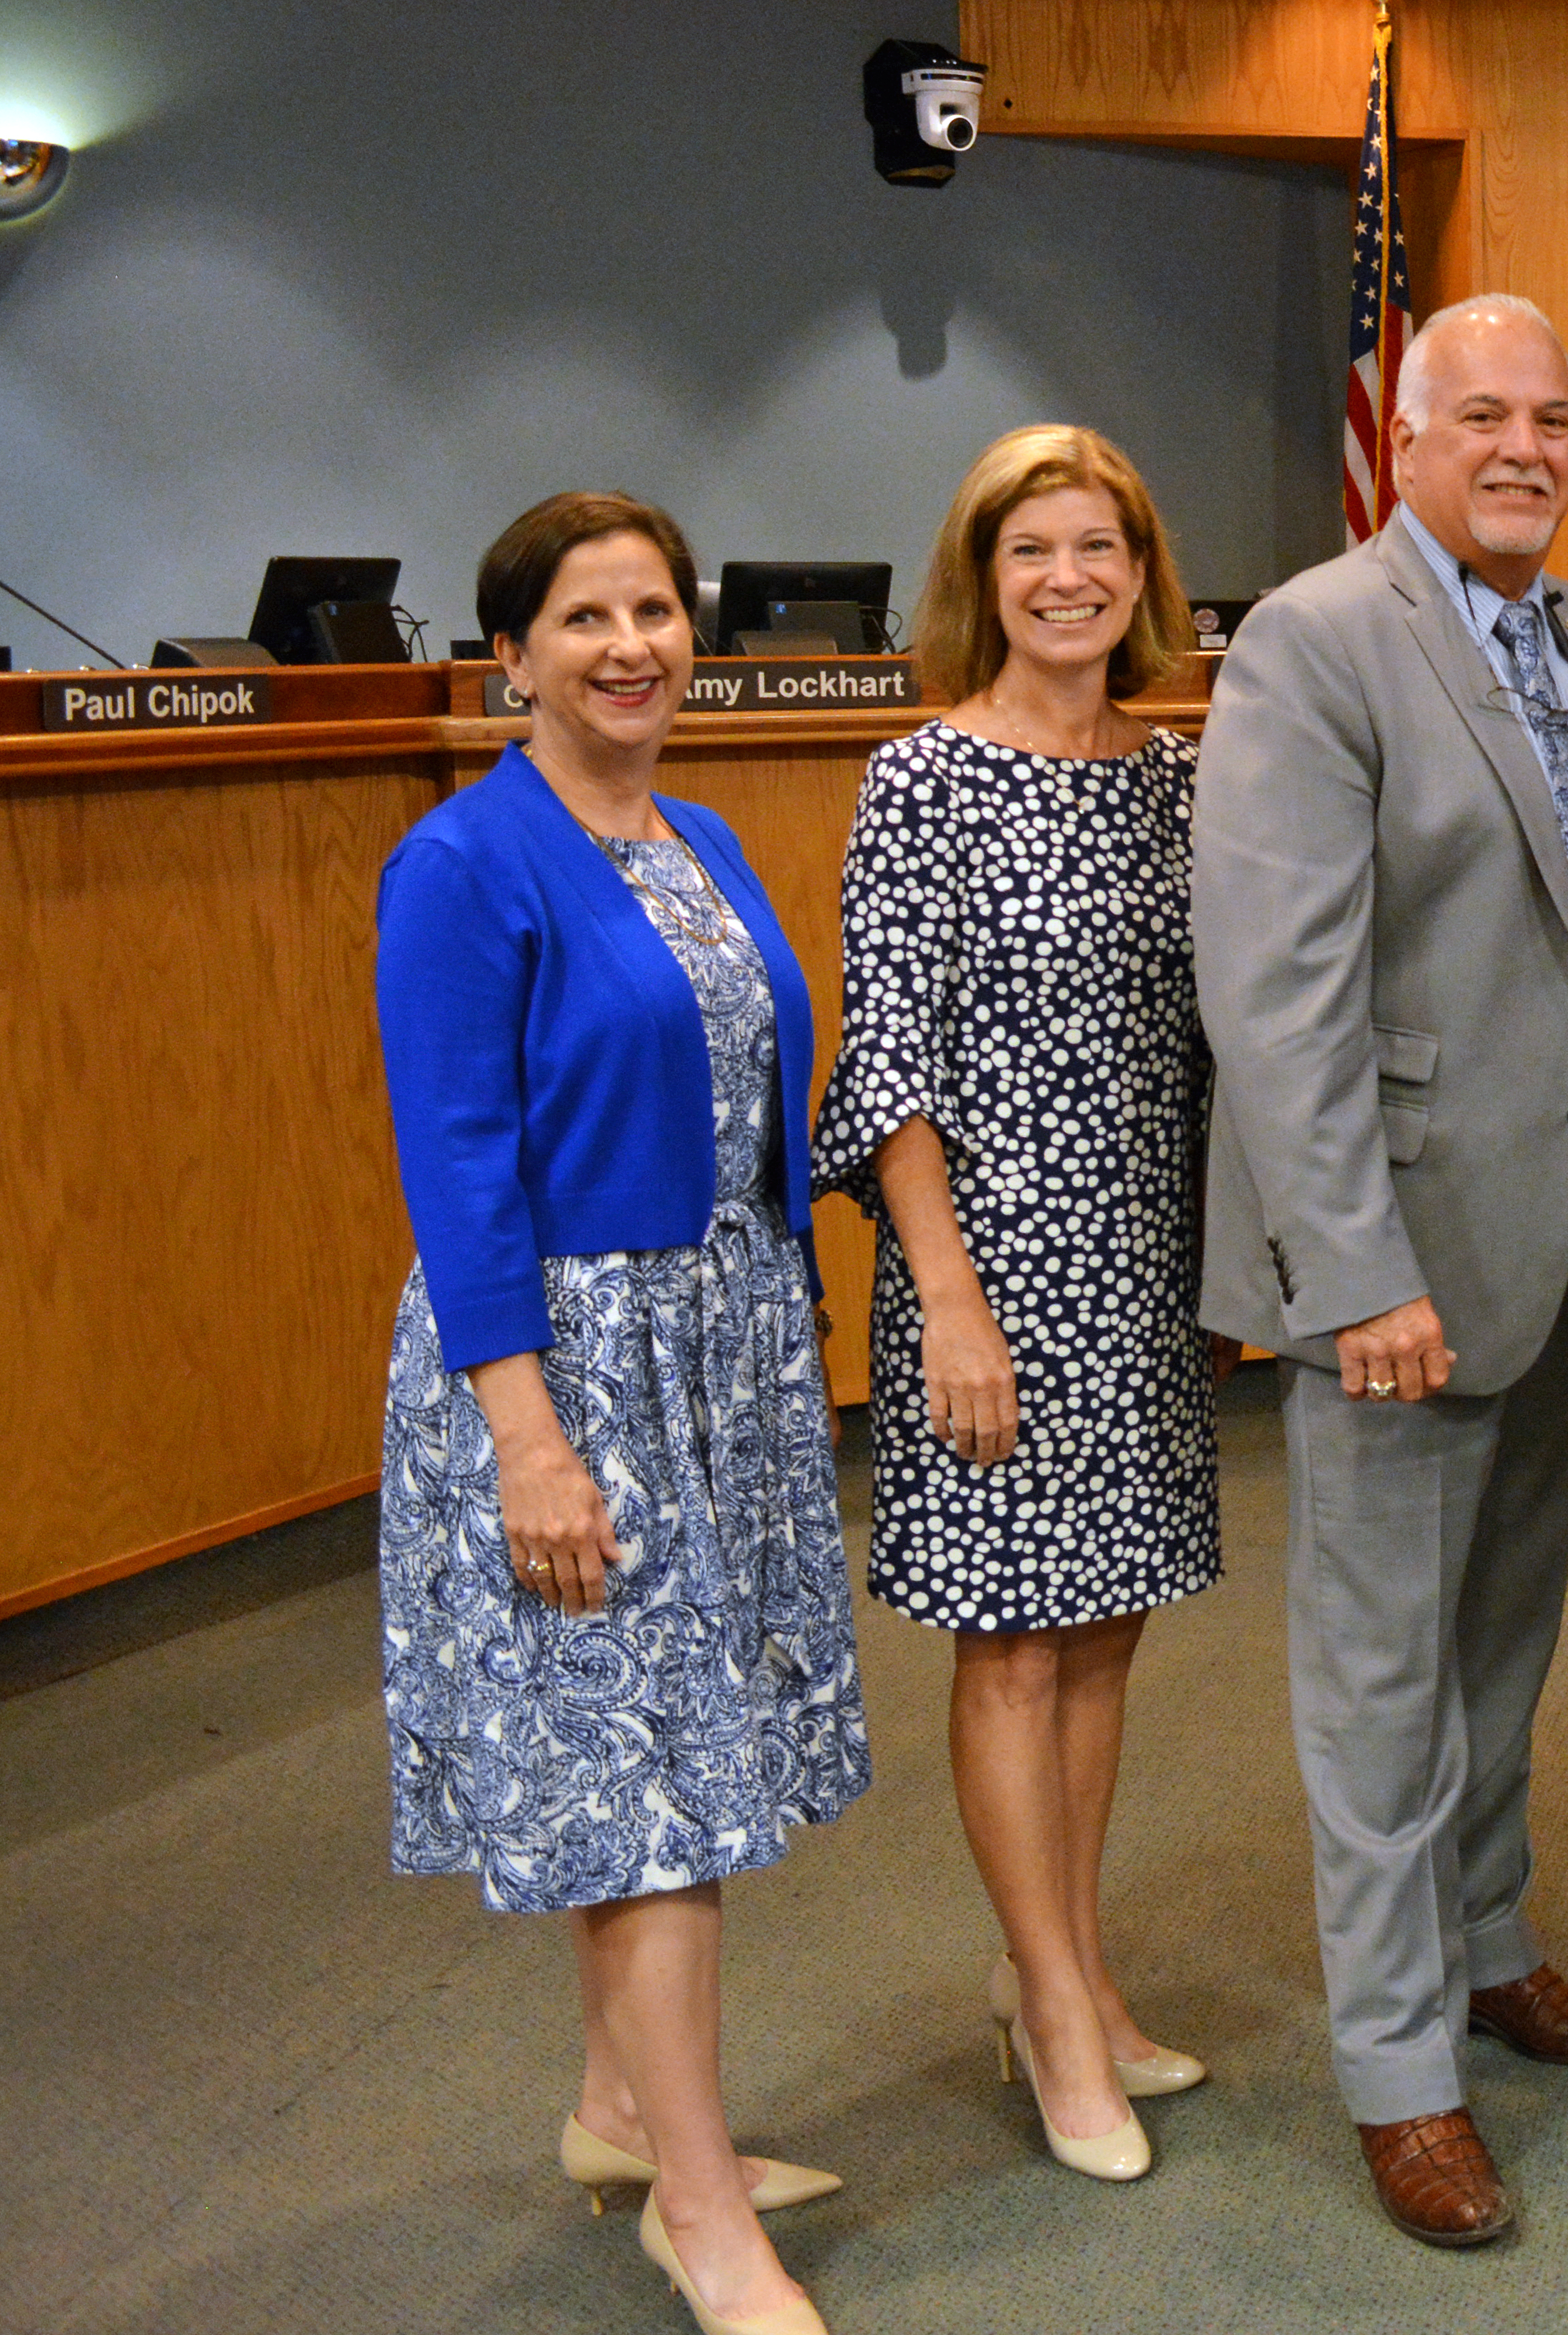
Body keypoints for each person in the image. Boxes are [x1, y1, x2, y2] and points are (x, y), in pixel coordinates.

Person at [1191, 292, 1568, 2247]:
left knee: (1503, 1649)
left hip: (1549, 1246)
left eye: (1555, 417)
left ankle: (1491, 1949)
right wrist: (1354, 1270)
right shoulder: (1318, 643)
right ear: (1406, 437)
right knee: (1383, 1697)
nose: (1525, 449)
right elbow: (1279, 997)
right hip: (1395, 1276)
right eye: (1483, 414)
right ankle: (1402, 2074)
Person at [376, 492, 865, 2335]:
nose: (631, 645)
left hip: (713, 1357)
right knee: (644, 1795)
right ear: (511, 655)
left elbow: (749, 1105)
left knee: (686, 1758)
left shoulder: (700, 832)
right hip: (562, 1375)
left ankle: (616, 2113)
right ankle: (701, 2204)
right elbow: (460, 1169)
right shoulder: (462, 864)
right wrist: (528, 1440)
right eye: (584, 617)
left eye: (655, 609)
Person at [815, 424, 1226, 2186]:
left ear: (1145, 576)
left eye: (1101, 549)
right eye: (1034, 551)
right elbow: (887, 1061)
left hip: (1142, 1262)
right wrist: (950, 1296)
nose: (1071, 579)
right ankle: (1059, 2014)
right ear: (981, 580)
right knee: (1015, 1643)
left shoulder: (1179, 775)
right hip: (986, 1271)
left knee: (1110, 1629)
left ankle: (1056, 1962)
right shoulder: (923, 777)